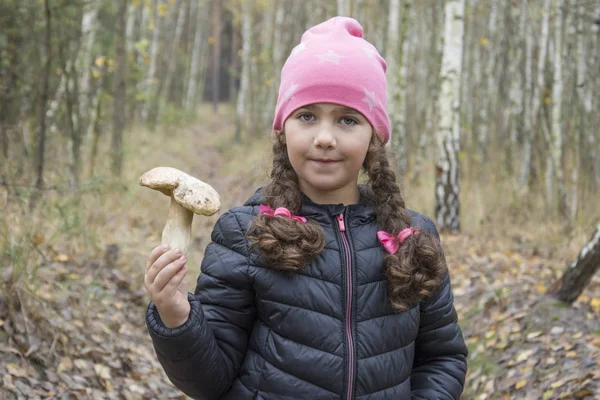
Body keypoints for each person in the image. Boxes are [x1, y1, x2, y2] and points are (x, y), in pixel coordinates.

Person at [144, 16, 468, 400]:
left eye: (348, 119)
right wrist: (177, 316)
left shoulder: (413, 239)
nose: (325, 138)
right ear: (284, 131)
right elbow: (209, 381)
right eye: (307, 116)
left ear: (373, 138)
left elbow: (442, 358)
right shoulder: (245, 233)